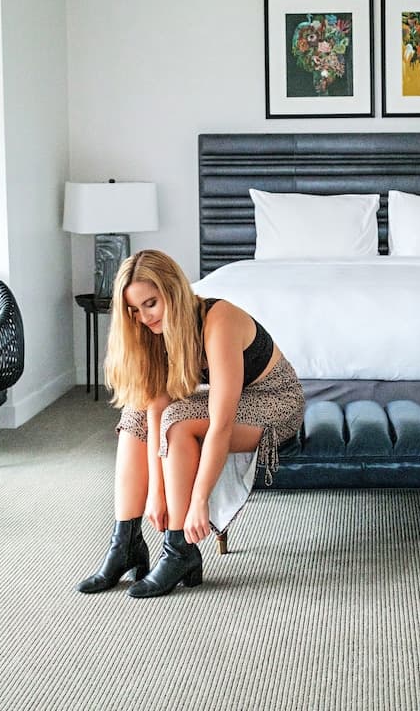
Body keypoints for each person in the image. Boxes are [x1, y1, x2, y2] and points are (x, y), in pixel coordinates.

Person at [75, 249, 305, 599]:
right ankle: (125, 543)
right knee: (135, 411)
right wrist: (157, 493)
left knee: (179, 421)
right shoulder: (154, 330)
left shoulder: (219, 320)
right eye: (134, 310)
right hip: (237, 401)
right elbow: (155, 407)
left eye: (151, 304)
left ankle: (179, 548)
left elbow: (221, 424)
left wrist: (199, 500)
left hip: (276, 402)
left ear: (173, 290)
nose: (144, 317)